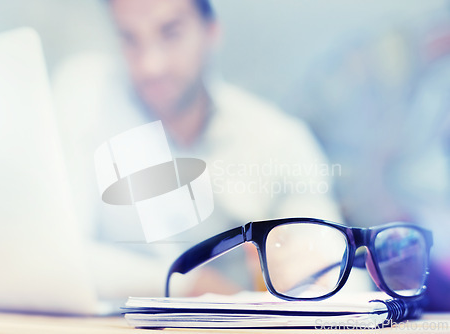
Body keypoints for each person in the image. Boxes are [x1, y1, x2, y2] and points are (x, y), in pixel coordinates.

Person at [53, 0, 343, 299]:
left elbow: (336, 273)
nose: (150, 65)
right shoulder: (88, 103)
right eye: (130, 38)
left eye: (171, 33)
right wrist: (190, 286)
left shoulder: (278, 141)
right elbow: (54, 256)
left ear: (211, 31)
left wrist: (307, 273)